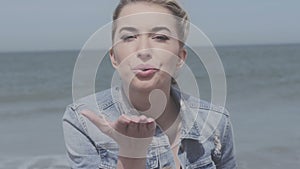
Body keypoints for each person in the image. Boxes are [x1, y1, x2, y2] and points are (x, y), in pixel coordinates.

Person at [63, 0, 237, 168]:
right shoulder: (83, 121)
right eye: (129, 37)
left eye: (160, 37)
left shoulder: (216, 121)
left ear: (180, 57)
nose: (144, 50)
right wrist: (131, 155)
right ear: (114, 57)